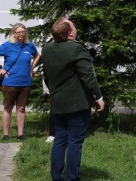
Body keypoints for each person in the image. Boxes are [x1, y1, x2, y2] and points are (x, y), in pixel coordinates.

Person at [42, 17, 104, 181]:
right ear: (70, 33)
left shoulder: (47, 48)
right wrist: (98, 97)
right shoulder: (77, 48)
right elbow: (88, 77)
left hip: (57, 102)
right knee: (75, 142)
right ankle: (72, 178)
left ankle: (56, 177)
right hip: (77, 104)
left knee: (60, 138)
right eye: (73, 25)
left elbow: (46, 76)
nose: (76, 27)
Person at [0, 23, 40, 141]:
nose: (21, 34)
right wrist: (0, 69)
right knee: (8, 108)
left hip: (25, 82)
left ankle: (20, 134)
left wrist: (31, 68)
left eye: (23, 31)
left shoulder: (29, 45)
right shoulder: (7, 45)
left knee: (21, 108)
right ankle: (5, 134)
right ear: (14, 33)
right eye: (18, 32)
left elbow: (37, 56)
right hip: (10, 82)